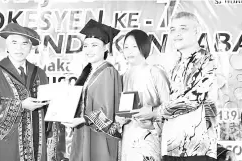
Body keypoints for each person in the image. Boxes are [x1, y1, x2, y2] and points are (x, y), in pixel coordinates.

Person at [134, 11, 218, 161]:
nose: (176, 34)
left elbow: (192, 100)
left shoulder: (208, 61)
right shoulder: (175, 66)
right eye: (172, 30)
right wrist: (152, 123)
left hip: (197, 149)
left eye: (183, 29)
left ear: (196, 31)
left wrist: (154, 112)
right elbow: (169, 104)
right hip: (171, 147)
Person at [0, 22, 52, 161]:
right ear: (7, 45)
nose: (19, 48)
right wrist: (21, 105)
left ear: (31, 47)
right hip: (7, 141)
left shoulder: (40, 73)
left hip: (36, 139)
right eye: (14, 43)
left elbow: (48, 108)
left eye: (24, 44)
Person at [62, 19, 122, 161]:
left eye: (94, 45)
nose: (89, 50)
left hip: (100, 137)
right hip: (85, 131)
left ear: (106, 47)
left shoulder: (108, 72)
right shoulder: (88, 72)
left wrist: (81, 119)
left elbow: (106, 113)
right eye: (86, 46)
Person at [120, 29, 170, 161]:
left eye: (134, 46)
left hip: (150, 135)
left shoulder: (155, 72)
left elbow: (170, 106)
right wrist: (121, 118)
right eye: (126, 47)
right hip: (128, 137)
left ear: (144, 47)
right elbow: (124, 111)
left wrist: (153, 124)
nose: (129, 51)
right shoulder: (123, 77)